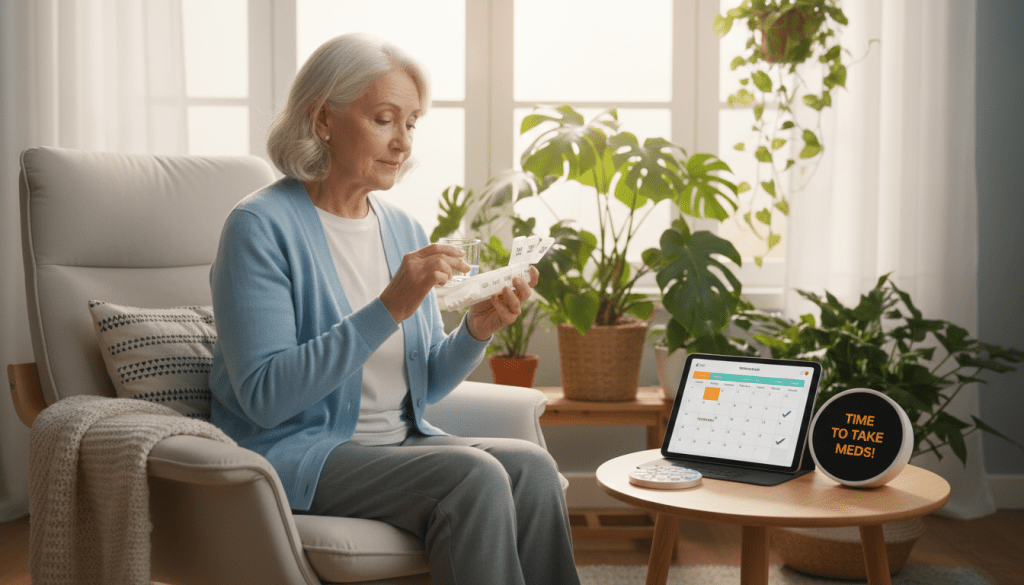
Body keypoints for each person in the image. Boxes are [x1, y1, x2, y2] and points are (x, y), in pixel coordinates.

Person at [208, 33, 580, 585]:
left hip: (398, 446)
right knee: (472, 477)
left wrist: (474, 333)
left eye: (412, 123)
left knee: (533, 469)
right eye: (384, 119)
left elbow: (419, 386)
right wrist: (388, 307)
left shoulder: (401, 228)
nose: (403, 143)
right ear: (322, 118)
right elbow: (264, 398)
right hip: (294, 456)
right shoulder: (259, 228)